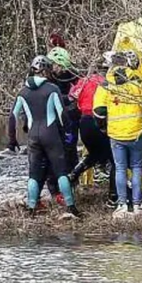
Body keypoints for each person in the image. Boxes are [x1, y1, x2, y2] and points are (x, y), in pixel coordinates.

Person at [8, 56, 81, 218]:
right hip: (51, 135)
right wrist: (68, 134)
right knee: (61, 171)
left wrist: (12, 140)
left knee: (34, 174)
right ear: (46, 70)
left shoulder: (23, 92)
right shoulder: (52, 89)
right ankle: (71, 206)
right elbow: (62, 114)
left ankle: (31, 207)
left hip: (33, 136)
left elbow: (12, 116)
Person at [93, 51, 142, 217]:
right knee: (137, 167)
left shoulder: (106, 85)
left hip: (116, 133)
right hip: (137, 131)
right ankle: (138, 205)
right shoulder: (137, 81)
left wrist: (103, 127)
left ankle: (122, 204)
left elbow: (98, 110)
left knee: (120, 168)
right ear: (126, 63)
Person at [67, 62, 117, 206]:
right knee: (115, 161)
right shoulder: (107, 83)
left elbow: (72, 98)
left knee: (95, 154)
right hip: (99, 121)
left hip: (84, 123)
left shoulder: (83, 81)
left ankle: (74, 173)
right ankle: (113, 197)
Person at [46, 46, 80, 202]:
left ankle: (71, 185)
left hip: (71, 119)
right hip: (55, 121)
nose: (53, 68)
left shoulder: (73, 76)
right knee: (53, 155)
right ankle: (55, 190)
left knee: (70, 152)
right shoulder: (48, 78)